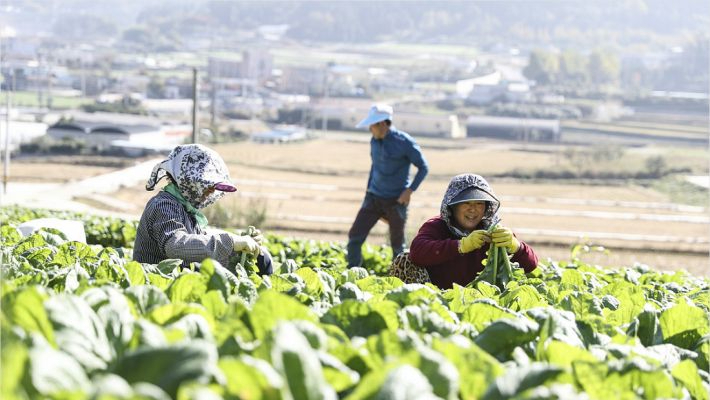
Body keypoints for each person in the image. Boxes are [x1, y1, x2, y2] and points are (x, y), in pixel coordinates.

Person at [133, 144, 272, 274]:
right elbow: (175, 246)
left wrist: (240, 247)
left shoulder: (184, 208)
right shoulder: (163, 205)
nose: (211, 190)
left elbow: (200, 247)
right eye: (206, 183)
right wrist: (231, 242)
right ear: (187, 179)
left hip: (177, 280)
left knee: (262, 258)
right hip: (155, 283)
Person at [408, 173, 537, 289]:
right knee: (403, 259)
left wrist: (516, 246)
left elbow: (531, 264)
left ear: (486, 208)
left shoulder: (493, 231)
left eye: (479, 203)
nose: (473, 209)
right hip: (439, 300)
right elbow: (416, 252)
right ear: (452, 206)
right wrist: (461, 246)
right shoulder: (437, 226)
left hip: (481, 303)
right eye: (466, 203)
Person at [347, 103, 429, 268]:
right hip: (373, 198)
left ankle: (398, 281)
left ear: (382, 124)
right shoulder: (374, 141)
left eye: (372, 125)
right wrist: (368, 190)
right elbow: (374, 166)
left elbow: (423, 167)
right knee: (354, 237)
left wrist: (409, 191)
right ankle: (353, 273)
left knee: (398, 247)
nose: (370, 129)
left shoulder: (404, 142)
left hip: (396, 202)